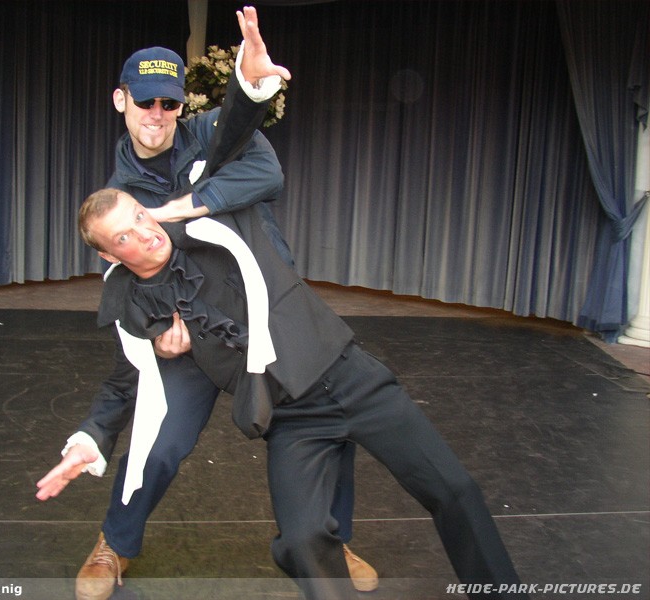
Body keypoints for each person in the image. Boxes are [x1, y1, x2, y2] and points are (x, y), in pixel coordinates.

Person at [36, 7, 376, 600]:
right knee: (159, 444)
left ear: (180, 105)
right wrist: (158, 331)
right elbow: (125, 282)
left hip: (262, 318)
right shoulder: (117, 197)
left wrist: (185, 204)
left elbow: (266, 173)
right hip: (190, 335)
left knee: (326, 422)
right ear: (120, 101)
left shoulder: (213, 134)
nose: (157, 114)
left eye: (168, 103)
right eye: (145, 102)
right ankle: (115, 542)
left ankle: (331, 542)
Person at [72, 181, 530, 600]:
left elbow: (256, 167)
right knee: (301, 541)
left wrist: (244, 101)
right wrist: (88, 438)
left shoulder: (220, 230)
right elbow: (123, 381)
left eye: (139, 215)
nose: (145, 233)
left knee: (454, 489)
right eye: (124, 236)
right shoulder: (134, 310)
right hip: (292, 420)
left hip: (353, 380)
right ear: (110, 256)